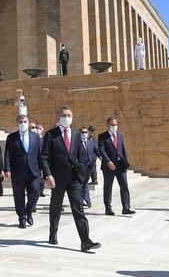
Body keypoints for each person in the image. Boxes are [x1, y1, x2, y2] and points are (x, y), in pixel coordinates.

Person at [40, 105, 100, 252]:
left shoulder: (76, 135)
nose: (66, 118)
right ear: (58, 117)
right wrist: (48, 175)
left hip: (74, 178)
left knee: (78, 208)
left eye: (68, 115)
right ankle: (52, 233)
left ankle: (85, 241)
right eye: (63, 115)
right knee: (55, 207)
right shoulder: (50, 135)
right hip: (57, 178)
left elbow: (81, 156)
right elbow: (44, 157)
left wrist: (81, 174)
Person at [4, 115, 41, 228]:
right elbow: (7, 155)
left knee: (35, 191)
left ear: (28, 122)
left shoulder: (35, 137)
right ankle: (22, 218)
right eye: (21, 121)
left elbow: (40, 153)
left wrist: (42, 168)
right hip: (18, 171)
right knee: (19, 195)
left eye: (25, 121)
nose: (23, 123)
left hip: (33, 170)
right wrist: (7, 169)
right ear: (17, 123)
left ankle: (28, 210)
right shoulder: (11, 137)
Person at [98, 117, 134, 215]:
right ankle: (108, 208)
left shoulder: (120, 135)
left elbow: (123, 149)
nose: (114, 126)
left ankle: (126, 207)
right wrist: (108, 162)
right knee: (108, 187)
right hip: (109, 166)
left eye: (115, 124)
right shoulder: (102, 136)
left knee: (124, 185)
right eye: (112, 124)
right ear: (108, 125)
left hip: (120, 165)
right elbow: (102, 150)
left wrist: (126, 164)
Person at [77, 126, 97, 209]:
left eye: (86, 132)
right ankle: (85, 200)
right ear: (79, 133)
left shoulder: (91, 142)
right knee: (81, 183)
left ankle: (86, 199)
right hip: (80, 167)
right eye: (82, 132)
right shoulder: (76, 143)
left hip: (89, 166)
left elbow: (96, 151)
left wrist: (102, 158)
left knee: (85, 183)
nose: (84, 134)